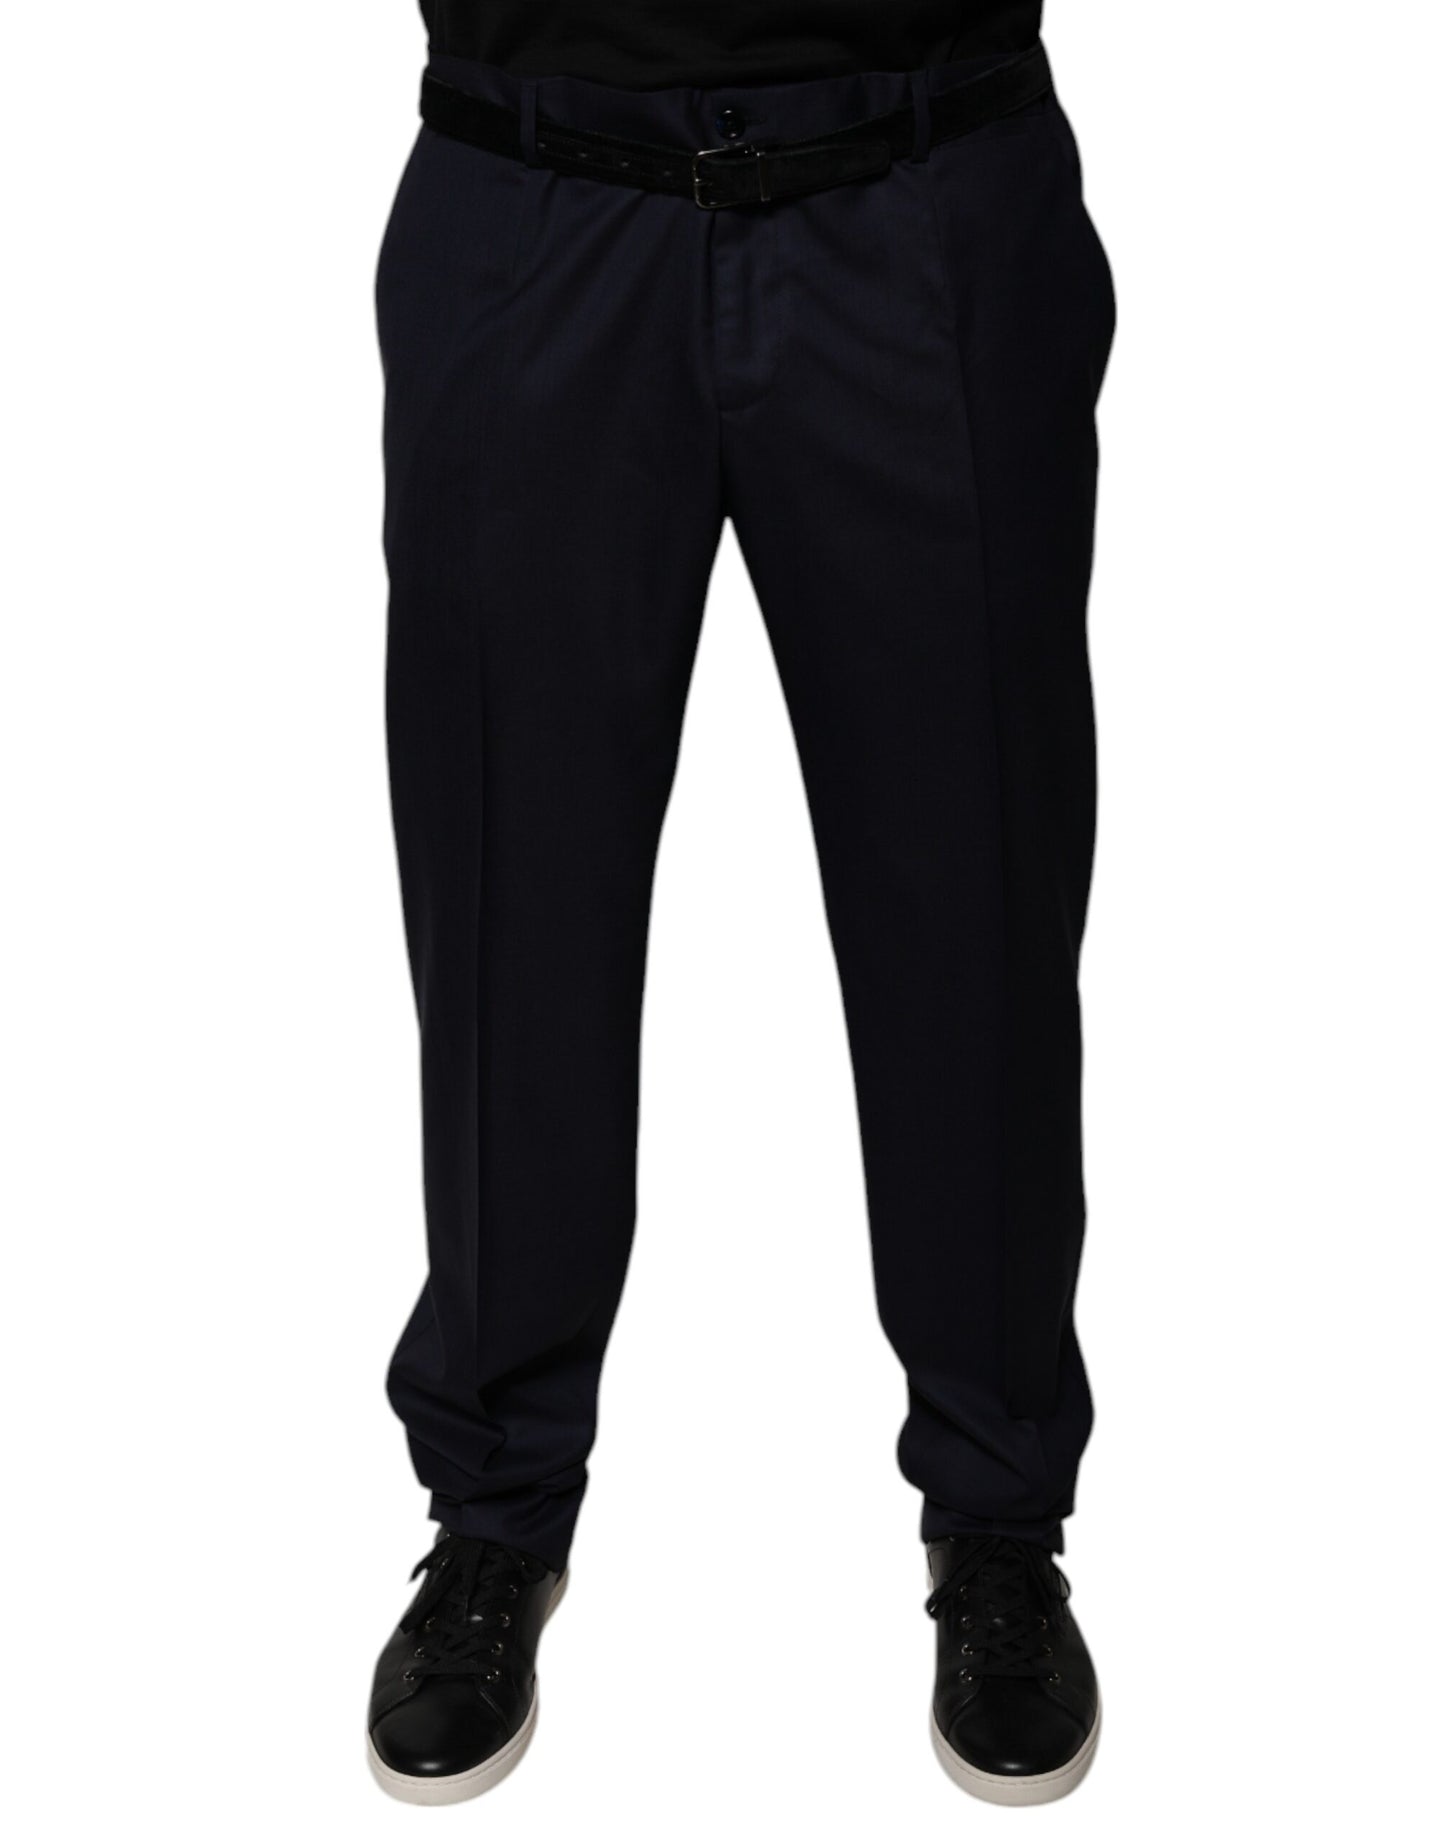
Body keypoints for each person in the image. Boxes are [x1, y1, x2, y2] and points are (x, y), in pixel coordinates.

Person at [366, 0, 1113, 1808]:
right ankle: (492, 1509)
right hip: (533, 175)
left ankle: (998, 1516)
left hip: (923, 170)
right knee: (509, 899)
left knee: (974, 898)